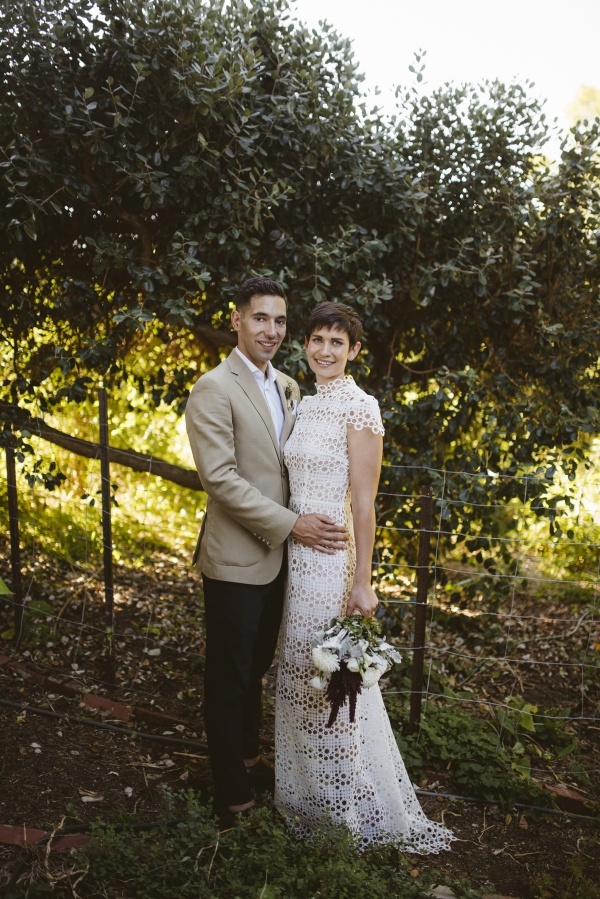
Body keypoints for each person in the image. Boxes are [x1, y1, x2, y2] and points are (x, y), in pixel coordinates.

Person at [274, 301, 454, 853]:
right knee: (296, 680)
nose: (324, 351)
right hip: (291, 563)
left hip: (331, 565)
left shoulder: (360, 408)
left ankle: (343, 818)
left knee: (332, 686)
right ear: (304, 345)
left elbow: (366, 504)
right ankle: (299, 803)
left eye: (337, 343)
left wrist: (362, 580)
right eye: (316, 340)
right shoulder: (302, 404)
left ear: (354, 351)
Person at [185, 277, 347, 826]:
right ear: (237, 320)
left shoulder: (288, 386)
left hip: (283, 561)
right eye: (260, 319)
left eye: (280, 321)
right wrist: (292, 525)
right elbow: (221, 480)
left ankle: (249, 762)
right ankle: (233, 798)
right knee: (230, 678)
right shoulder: (213, 387)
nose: (271, 330)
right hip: (236, 558)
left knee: (256, 669)